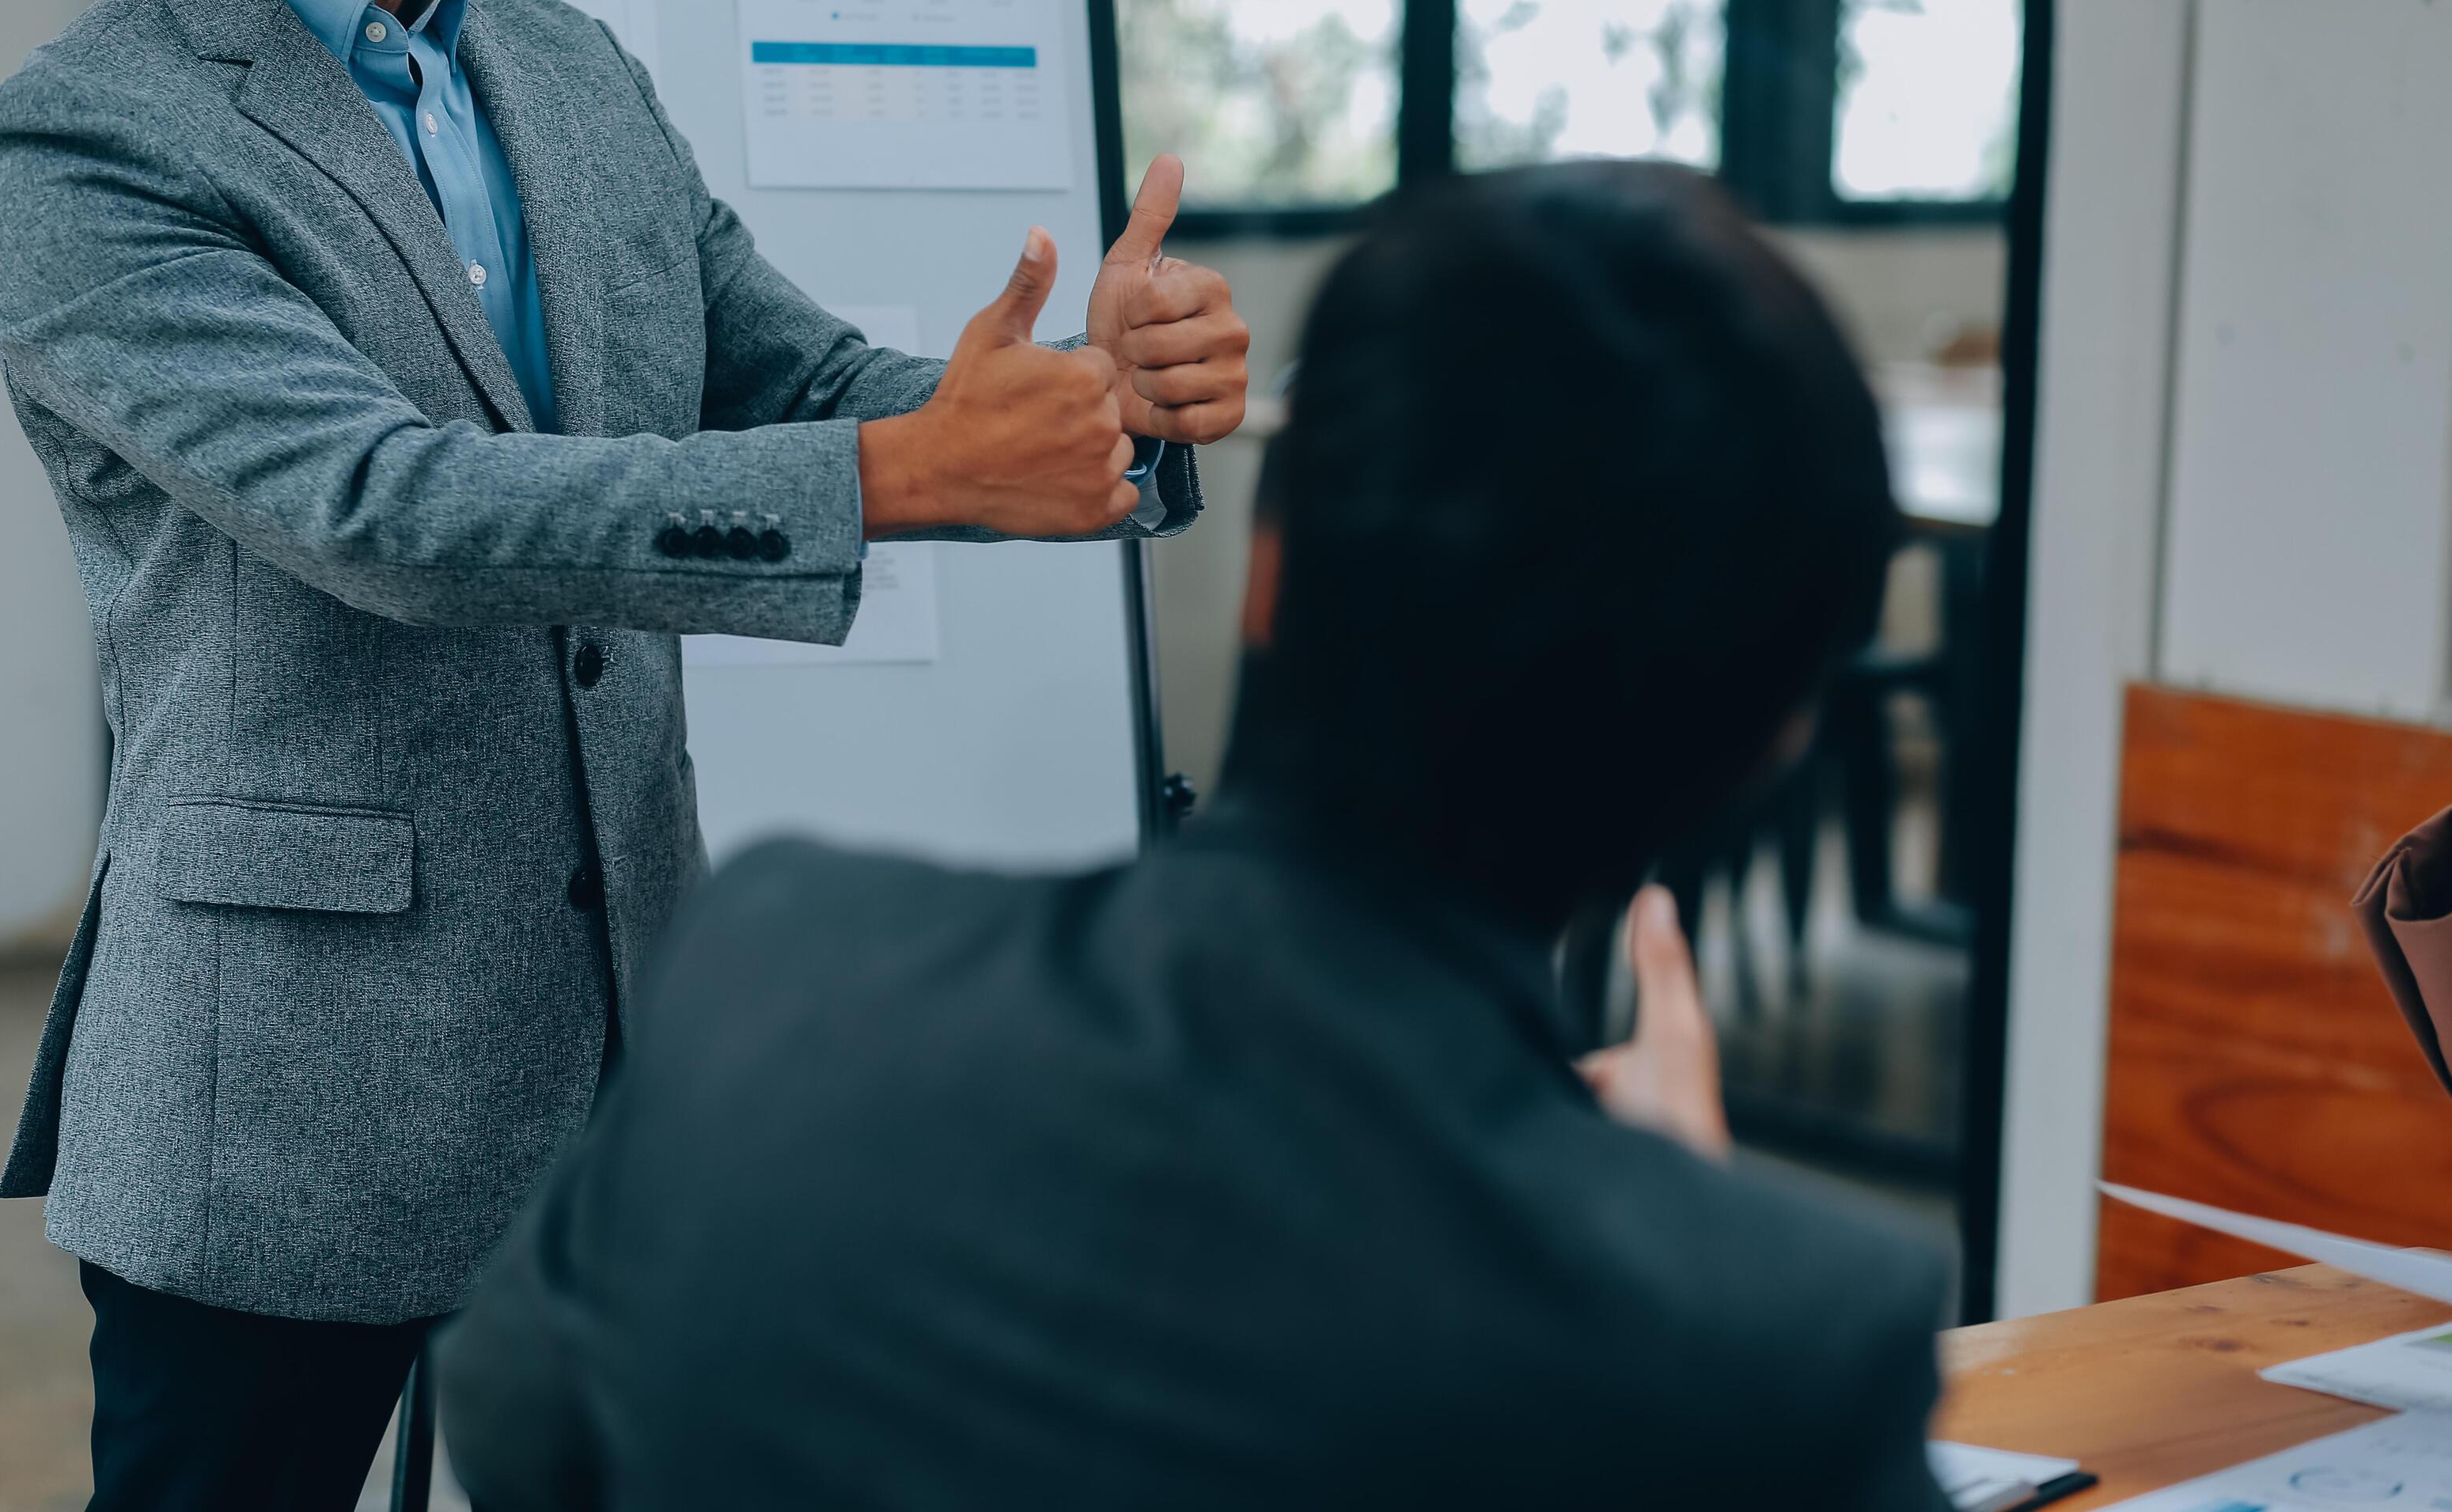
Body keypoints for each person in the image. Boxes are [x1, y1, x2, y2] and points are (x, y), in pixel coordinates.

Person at [436, 159, 1953, 1510]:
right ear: (1768, 739)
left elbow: (520, 1439)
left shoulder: (776, 977)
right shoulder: (1772, 1345)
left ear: (1269, 572)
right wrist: (1659, 1220)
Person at [0, 0, 1249, 1501]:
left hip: (616, 1039)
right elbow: (387, 507)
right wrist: (913, 470)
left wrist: (1095, 406)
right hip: (284, 1080)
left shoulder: (570, 66)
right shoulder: (79, 130)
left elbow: (805, 380)